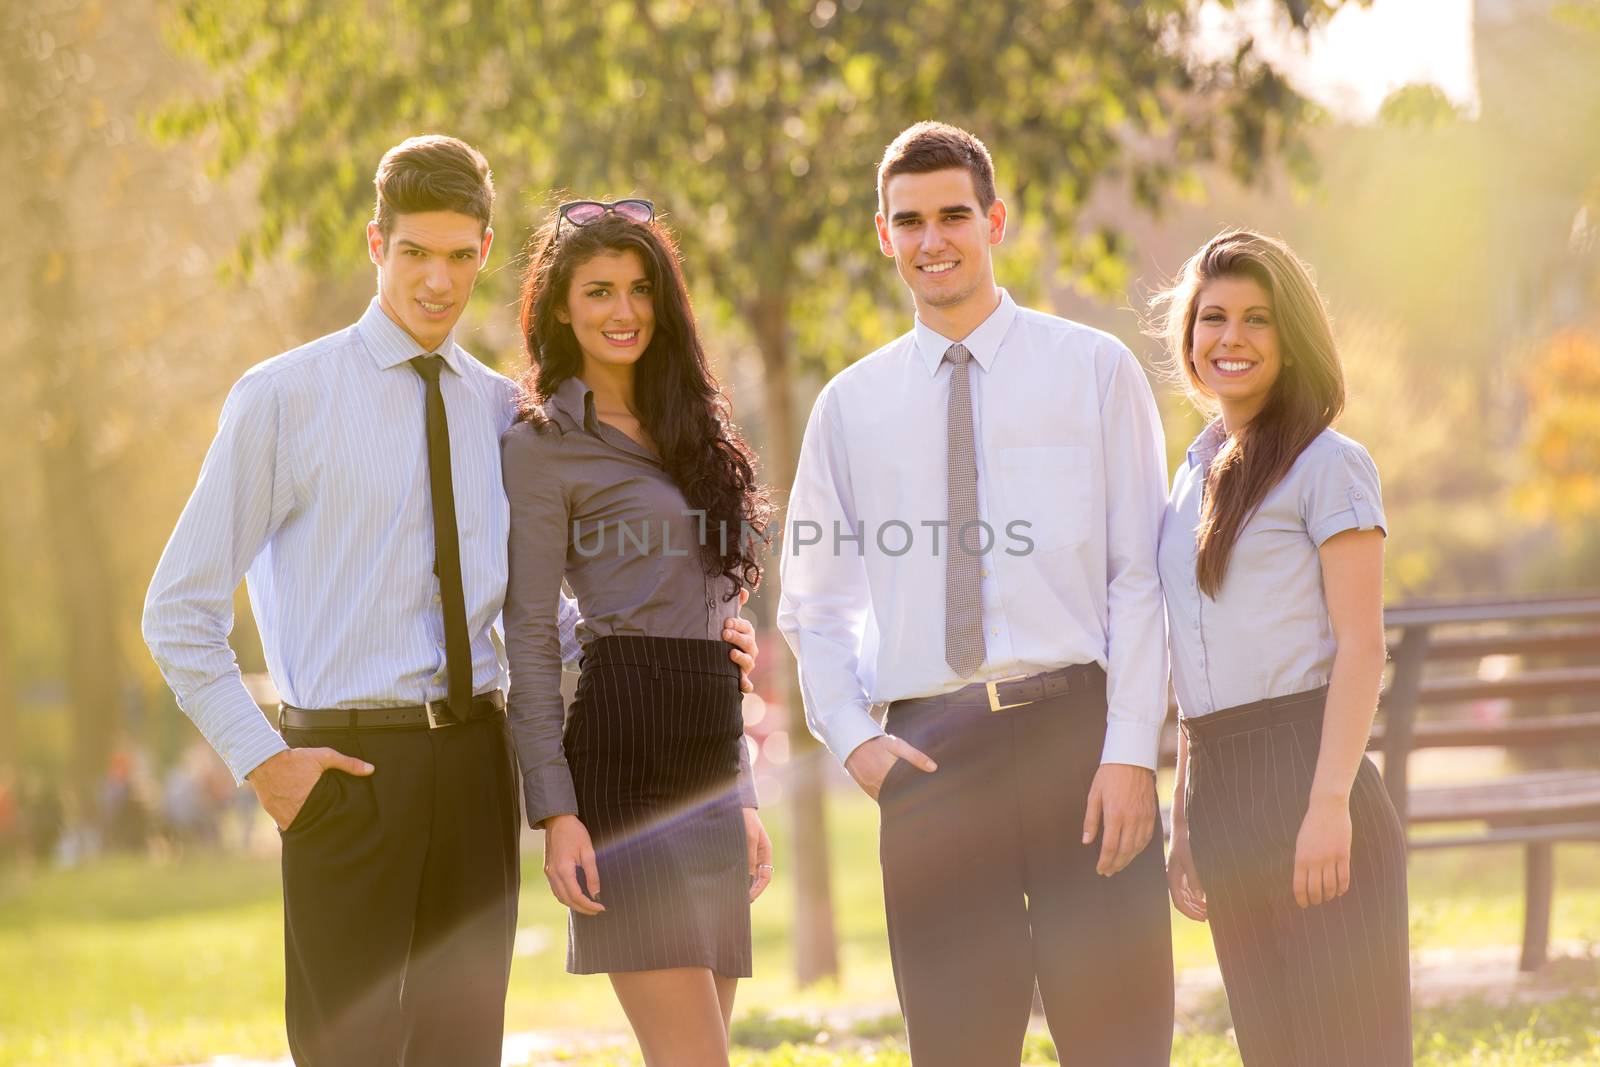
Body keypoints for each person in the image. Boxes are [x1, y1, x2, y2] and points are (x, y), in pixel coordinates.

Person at [141, 137, 760, 1067]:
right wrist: (265, 762)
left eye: (461, 255)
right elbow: (178, 611)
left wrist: (696, 637)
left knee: (463, 1050)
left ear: (483, 250)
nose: (439, 281)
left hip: (478, 765)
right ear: (375, 243)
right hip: (346, 771)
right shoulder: (282, 399)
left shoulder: (505, 412)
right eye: (415, 253)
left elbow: (537, 610)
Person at [777, 121, 1174, 1066]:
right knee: (956, 1047)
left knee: (1118, 1042)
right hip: (931, 759)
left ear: (994, 220)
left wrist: (1130, 752)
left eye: (954, 214)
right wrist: (855, 737)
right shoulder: (849, 407)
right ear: (884, 234)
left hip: (1079, 743)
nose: (933, 240)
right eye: (909, 221)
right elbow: (814, 602)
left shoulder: (1093, 370)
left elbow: (1140, 578)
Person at [500, 199, 773, 1067]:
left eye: (641, 288)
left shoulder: (693, 429)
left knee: (702, 1053)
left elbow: (712, 605)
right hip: (624, 745)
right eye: (599, 291)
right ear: (560, 308)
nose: (624, 311)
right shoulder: (543, 446)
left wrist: (744, 788)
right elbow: (533, 633)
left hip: (709, 746)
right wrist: (555, 810)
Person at [1154, 230, 1412, 1065]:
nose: (1231, 338)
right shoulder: (1190, 476)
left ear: (1291, 336)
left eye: (1258, 318)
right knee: (1272, 1047)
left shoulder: (1329, 466)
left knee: (1347, 1047)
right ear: (1189, 337)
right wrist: (1187, 815)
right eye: (1214, 317)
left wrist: (1329, 803)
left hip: (1311, 775)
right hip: (1223, 792)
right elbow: (1194, 658)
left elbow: (1362, 647)